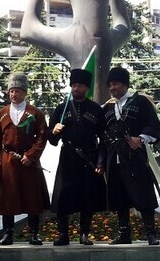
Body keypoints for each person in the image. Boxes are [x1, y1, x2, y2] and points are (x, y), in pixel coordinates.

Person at [21, 0, 131, 102]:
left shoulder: (72, 39)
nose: (77, 88)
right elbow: (27, 31)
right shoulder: (110, 40)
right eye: (75, 86)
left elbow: (27, 30)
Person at [102, 67, 160, 246]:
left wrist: (140, 139)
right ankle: (124, 234)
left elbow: (153, 126)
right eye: (110, 85)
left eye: (116, 84)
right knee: (119, 196)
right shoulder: (107, 107)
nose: (112, 88)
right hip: (114, 157)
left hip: (135, 157)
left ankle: (151, 234)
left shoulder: (140, 102)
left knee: (143, 193)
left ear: (125, 84)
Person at [48, 69, 107, 246]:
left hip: (88, 157)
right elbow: (51, 140)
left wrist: (100, 161)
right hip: (68, 157)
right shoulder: (62, 108)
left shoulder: (96, 109)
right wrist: (54, 131)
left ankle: (84, 234)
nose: (76, 88)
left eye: (80, 85)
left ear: (86, 88)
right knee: (62, 196)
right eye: (73, 85)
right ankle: (63, 234)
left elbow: (103, 138)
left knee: (87, 197)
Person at [0, 74, 50, 246]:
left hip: (29, 162)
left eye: (17, 91)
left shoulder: (35, 113)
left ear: (25, 92)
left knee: (32, 197)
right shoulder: (2, 114)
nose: (13, 94)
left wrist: (31, 156)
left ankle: (34, 233)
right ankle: (7, 233)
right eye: (11, 91)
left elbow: (42, 137)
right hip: (8, 160)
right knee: (8, 198)